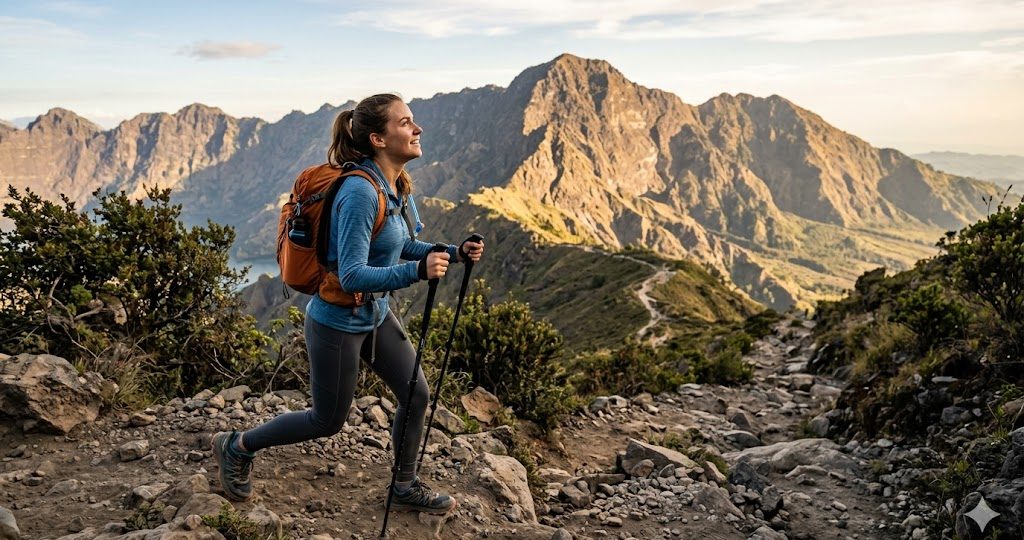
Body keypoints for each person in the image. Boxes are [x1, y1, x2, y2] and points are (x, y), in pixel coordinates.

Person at [212, 93, 484, 514]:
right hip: (337, 321)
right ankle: (237, 445)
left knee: (415, 395)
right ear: (378, 138)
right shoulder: (359, 191)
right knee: (327, 421)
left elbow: (401, 244)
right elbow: (352, 274)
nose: (418, 128)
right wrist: (418, 272)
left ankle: (404, 485)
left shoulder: (395, 185)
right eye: (405, 122)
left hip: (375, 314)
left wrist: (452, 251)